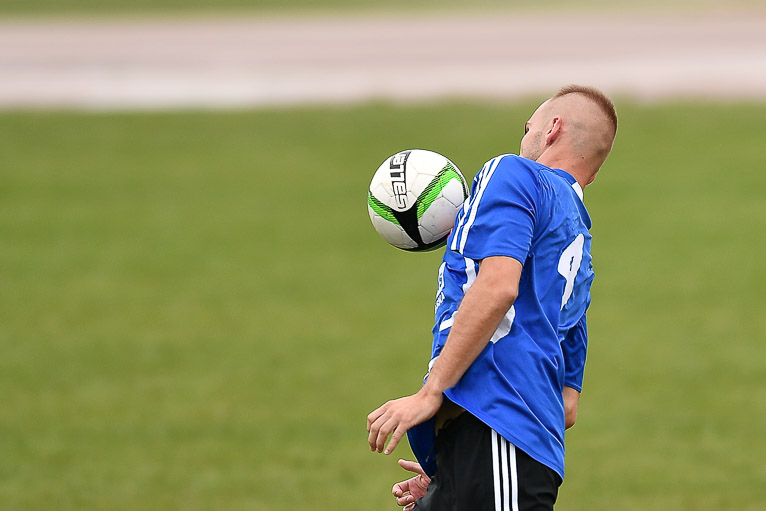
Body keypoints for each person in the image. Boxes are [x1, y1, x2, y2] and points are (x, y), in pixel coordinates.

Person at [366, 85, 618, 511]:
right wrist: (459, 470)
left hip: (498, 443)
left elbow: (498, 286)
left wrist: (431, 393)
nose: (524, 137)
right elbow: (566, 406)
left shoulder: (514, 173)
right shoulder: (578, 254)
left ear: (552, 129)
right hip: (496, 453)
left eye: (528, 127)